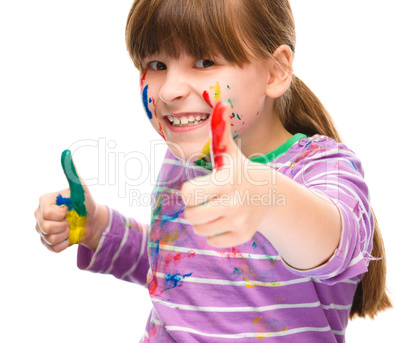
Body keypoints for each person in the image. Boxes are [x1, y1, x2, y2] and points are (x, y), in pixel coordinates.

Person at [34, 0, 391, 342]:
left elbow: (335, 241)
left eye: (204, 61)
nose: (170, 90)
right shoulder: (182, 164)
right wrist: (100, 229)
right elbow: (179, 275)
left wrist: (265, 197)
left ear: (275, 71)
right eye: (157, 65)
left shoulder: (322, 167)